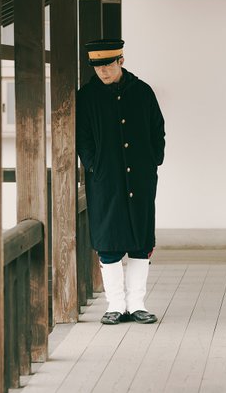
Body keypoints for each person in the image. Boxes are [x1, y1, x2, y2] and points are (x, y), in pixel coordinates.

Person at [76, 39, 166, 325]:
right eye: (97, 66)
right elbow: (82, 137)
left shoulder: (142, 92)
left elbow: (157, 128)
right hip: (105, 180)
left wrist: (153, 160)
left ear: (121, 61)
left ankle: (137, 304)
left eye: (108, 65)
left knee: (141, 242)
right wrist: (94, 165)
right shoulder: (87, 96)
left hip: (140, 178)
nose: (103, 71)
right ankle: (115, 305)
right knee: (109, 243)